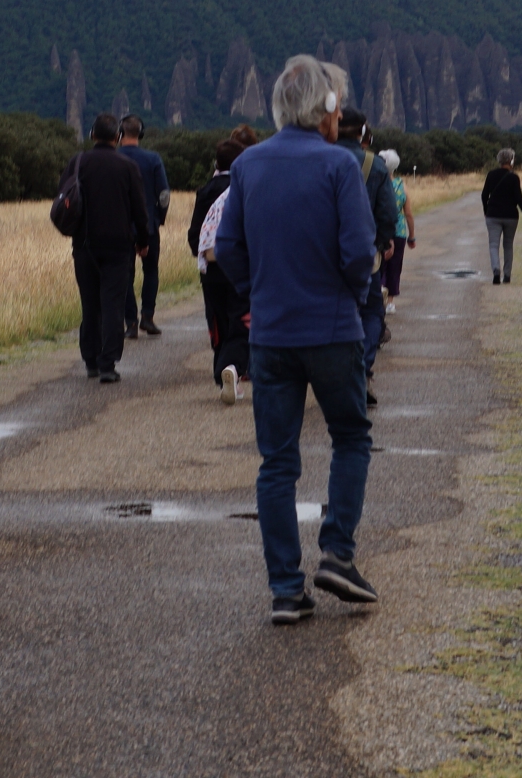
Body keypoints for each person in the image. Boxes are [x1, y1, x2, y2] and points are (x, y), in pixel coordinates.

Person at [214, 55, 380, 625]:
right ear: (327, 109)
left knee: (276, 462)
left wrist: (255, 294)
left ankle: (286, 588)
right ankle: (337, 552)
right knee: (351, 437)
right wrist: (354, 297)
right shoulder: (339, 167)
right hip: (332, 330)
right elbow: (360, 252)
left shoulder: (248, 166)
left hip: (272, 335)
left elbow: (227, 247)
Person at [66, 113, 154, 383]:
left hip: (84, 245)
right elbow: (140, 211)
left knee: (90, 303)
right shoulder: (127, 167)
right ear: (117, 137)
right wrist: (143, 242)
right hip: (118, 247)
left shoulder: (78, 163)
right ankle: (108, 364)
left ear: (92, 135)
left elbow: (64, 197)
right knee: (113, 304)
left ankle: (90, 360)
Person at [191, 126, 258, 404]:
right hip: (238, 264)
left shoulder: (208, 191)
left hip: (210, 266)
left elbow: (196, 233)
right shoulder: (246, 188)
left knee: (218, 320)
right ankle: (233, 368)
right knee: (242, 322)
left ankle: (221, 373)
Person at [336, 107, 396, 404]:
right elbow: (388, 213)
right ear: (362, 132)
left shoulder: (317, 157)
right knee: (371, 312)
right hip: (364, 251)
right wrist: (382, 243)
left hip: (322, 254)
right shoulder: (375, 164)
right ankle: (362, 369)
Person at [119, 115, 171, 340]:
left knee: (124, 275)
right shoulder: (153, 159)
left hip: (119, 229)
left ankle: (130, 322)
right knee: (151, 271)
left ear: (120, 134)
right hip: (148, 226)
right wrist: (158, 218)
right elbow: (164, 194)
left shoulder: (114, 158)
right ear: (140, 134)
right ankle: (147, 317)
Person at [481, 148, 522, 284]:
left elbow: (484, 195)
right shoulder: (514, 177)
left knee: (493, 244)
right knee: (508, 245)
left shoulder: (491, 174)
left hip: (493, 215)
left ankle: (496, 270)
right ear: (511, 160)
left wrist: (486, 210)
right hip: (510, 216)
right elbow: (519, 198)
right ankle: (507, 274)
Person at [379, 149, 416, 311]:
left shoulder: (376, 184)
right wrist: (412, 236)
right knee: (395, 266)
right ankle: (391, 301)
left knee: (379, 265)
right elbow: (408, 213)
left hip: (379, 230)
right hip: (399, 230)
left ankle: (379, 295)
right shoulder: (401, 186)